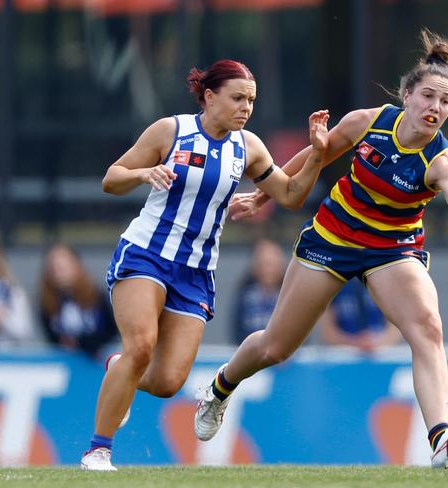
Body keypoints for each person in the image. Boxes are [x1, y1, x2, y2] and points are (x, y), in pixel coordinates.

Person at [194, 30, 448, 469]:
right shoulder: (369, 122)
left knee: (428, 327)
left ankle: (441, 439)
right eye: (428, 95)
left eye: (445, 102)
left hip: (392, 250)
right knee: (276, 347)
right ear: (407, 95)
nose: (435, 107)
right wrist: (263, 195)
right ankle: (218, 389)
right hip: (333, 237)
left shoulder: (441, 161)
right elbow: (317, 153)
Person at [79, 59, 330, 471]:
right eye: (237, 98)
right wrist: (144, 174)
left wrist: (317, 156)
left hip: (196, 271)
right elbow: (112, 178)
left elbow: (288, 196)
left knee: (166, 381)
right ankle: (98, 450)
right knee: (141, 345)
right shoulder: (171, 131)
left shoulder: (248, 147)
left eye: (251, 100)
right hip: (147, 252)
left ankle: (118, 370)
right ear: (209, 96)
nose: (245, 107)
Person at [39, 243, 118, 359]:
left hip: (98, 360)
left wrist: (85, 343)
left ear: (76, 265)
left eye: (63, 266)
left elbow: (111, 330)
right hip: (67, 363)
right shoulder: (48, 303)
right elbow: (52, 338)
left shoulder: (97, 296)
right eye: (54, 267)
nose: (59, 271)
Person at [319, 278, 401, 352]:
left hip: (382, 353)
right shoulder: (332, 284)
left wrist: (378, 343)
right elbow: (328, 331)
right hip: (344, 354)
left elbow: (397, 326)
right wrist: (354, 343)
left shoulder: (383, 281)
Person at [233, 238, 286, 344]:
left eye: (272, 264)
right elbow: (237, 328)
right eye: (265, 264)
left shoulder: (289, 296)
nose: (268, 270)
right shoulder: (246, 295)